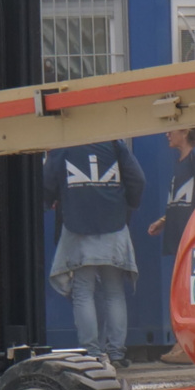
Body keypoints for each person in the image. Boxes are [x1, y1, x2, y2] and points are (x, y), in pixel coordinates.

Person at [44, 140, 145, 368]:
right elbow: (137, 179)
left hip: (78, 226)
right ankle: (117, 354)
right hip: (114, 225)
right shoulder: (114, 143)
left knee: (83, 291)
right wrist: (126, 205)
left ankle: (92, 354)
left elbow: (46, 182)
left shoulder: (64, 144)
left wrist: (54, 199)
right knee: (114, 291)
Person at [148, 127, 195, 364]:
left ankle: (188, 345)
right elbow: (184, 198)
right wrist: (164, 220)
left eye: (171, 130)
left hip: (194, 236)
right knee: (182, 291)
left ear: (186, 131)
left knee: (189, 292)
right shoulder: (180, 160)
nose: (166, 133)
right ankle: (185, 344)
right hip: (180, 234)